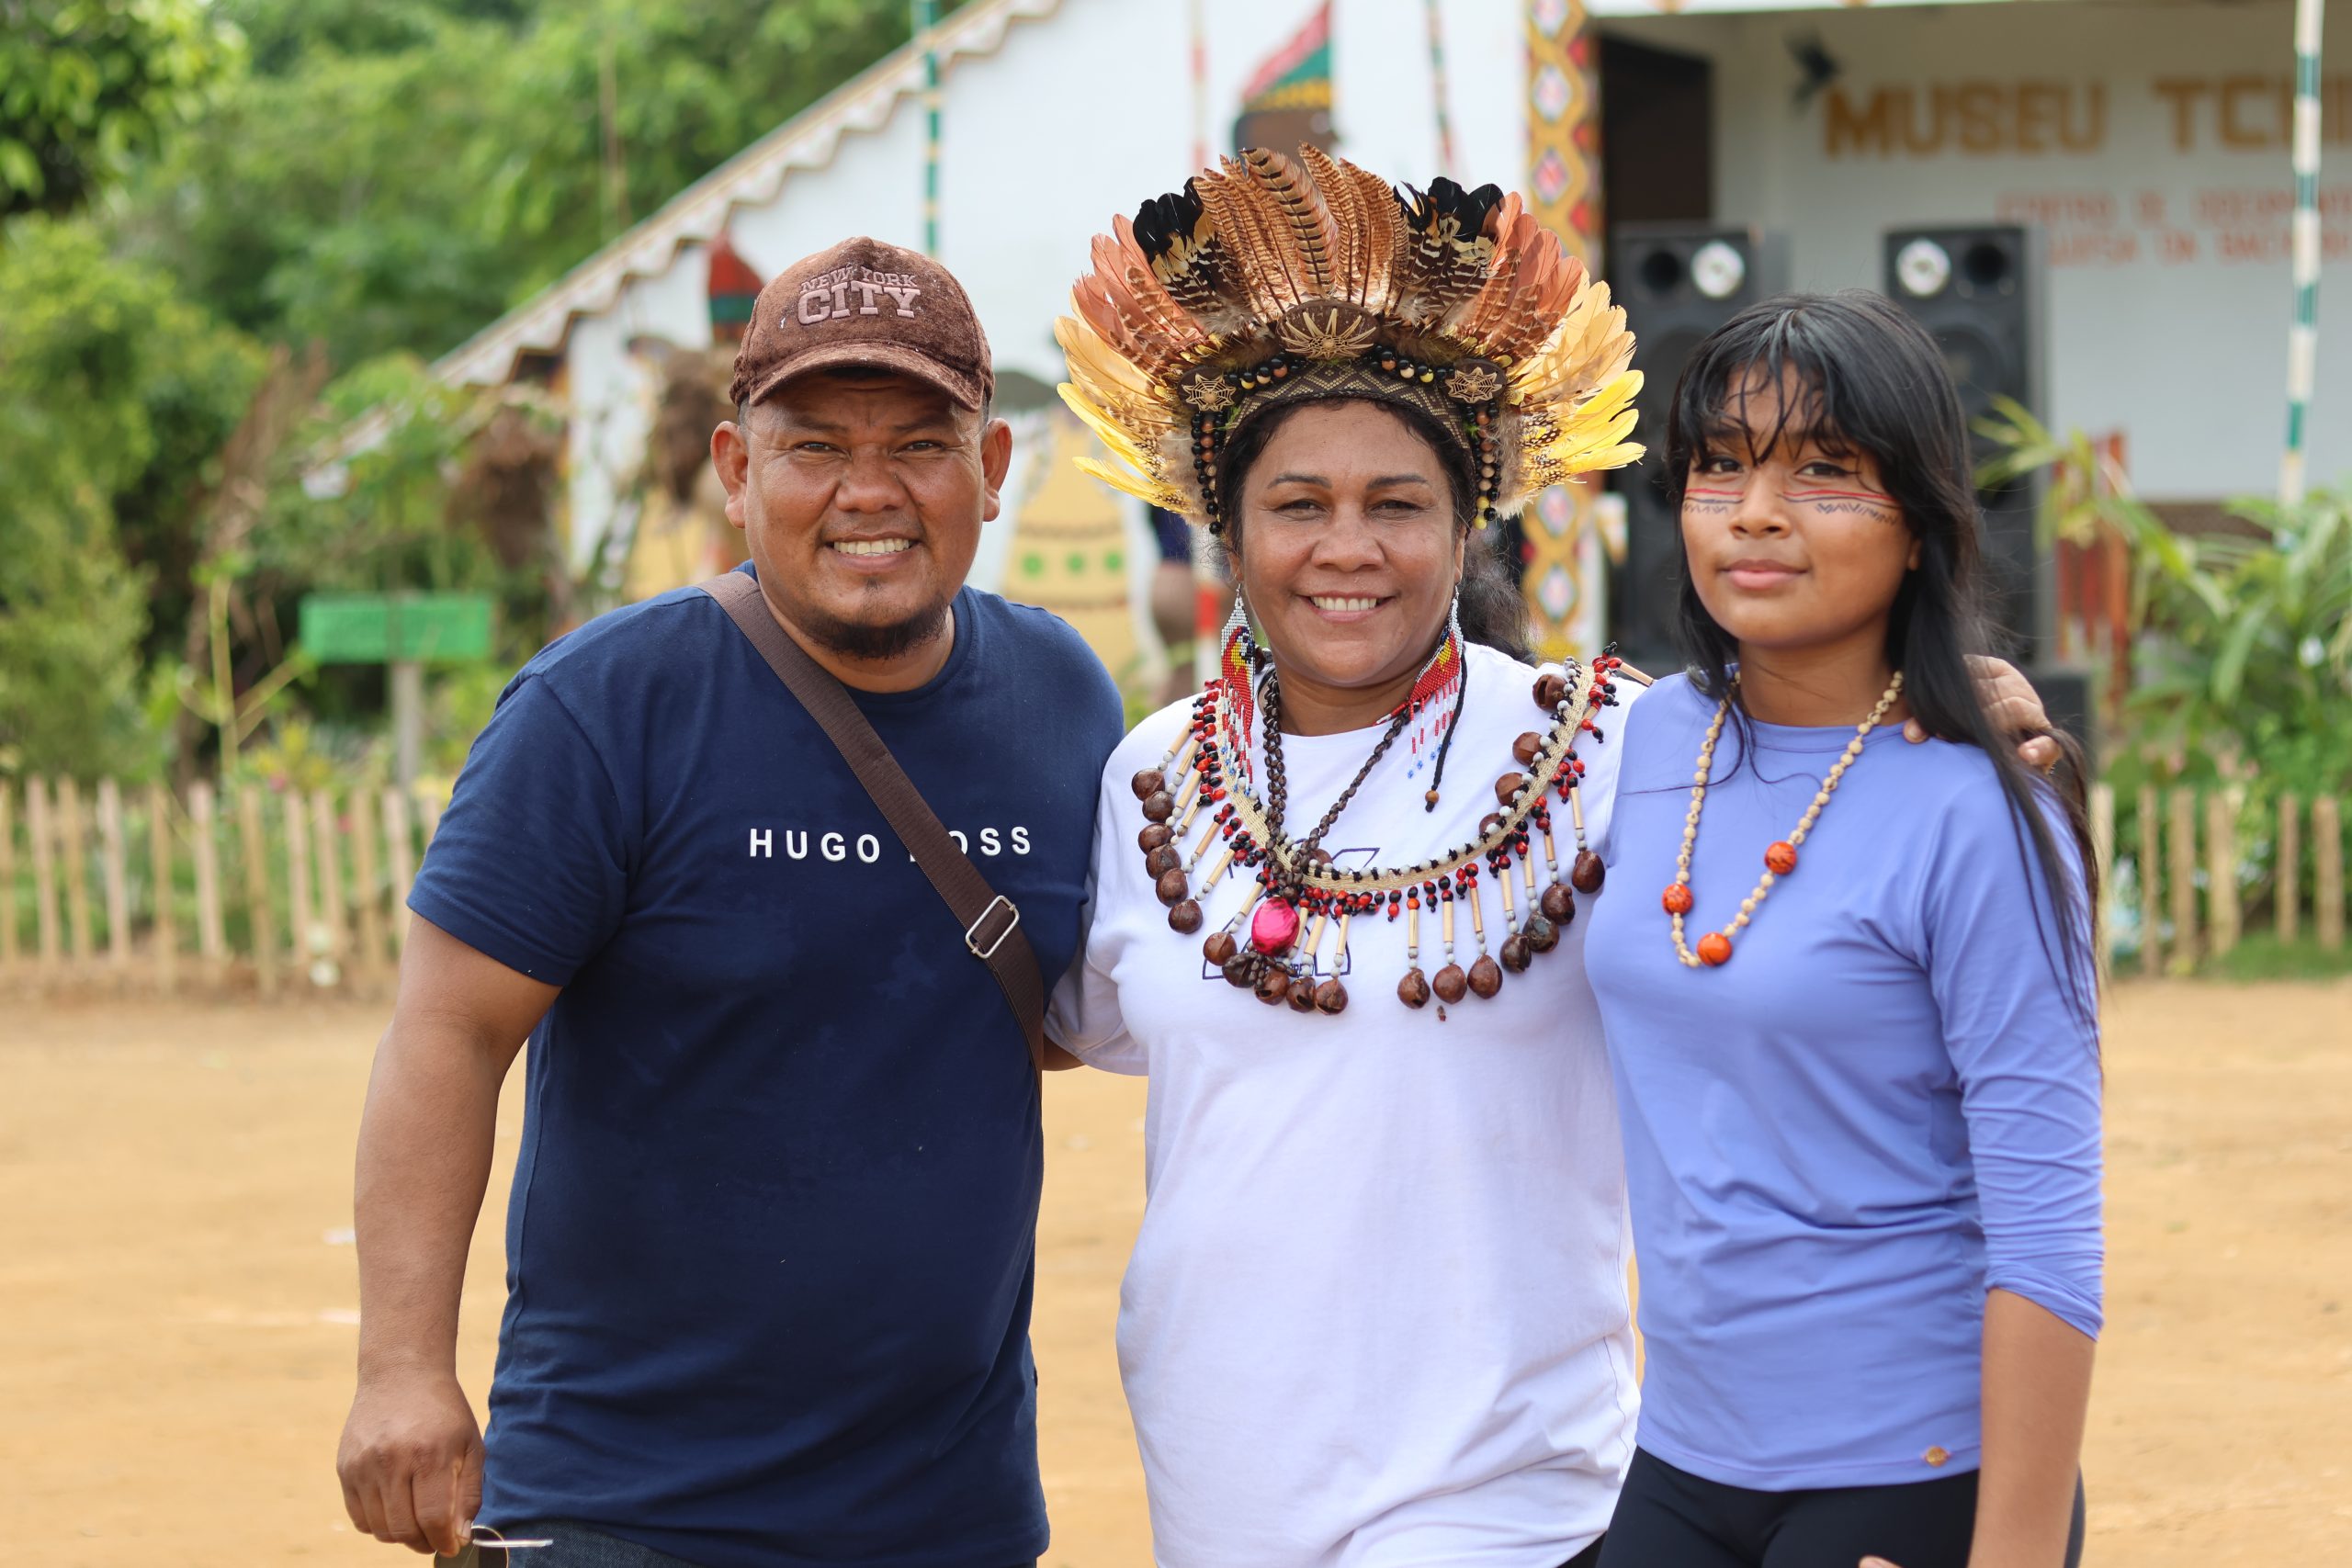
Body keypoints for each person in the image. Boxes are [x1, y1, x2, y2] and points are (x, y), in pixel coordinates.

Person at [1044, 152, 2059, 1567]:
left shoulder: (1613, 751)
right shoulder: (1150, 777)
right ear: (1228, 528)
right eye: (1297, 506)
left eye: (1397, 503)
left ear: (1468, 525)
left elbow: (1836, 747)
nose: (1349, 550)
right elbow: (1075, 1024)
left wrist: (1971, 698)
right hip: (1219, 1492)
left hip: (1519, 1506)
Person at [334, 236, 1124, 1568]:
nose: (867, 492)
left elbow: (1050, 1008)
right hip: (628, 1508)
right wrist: (402, 1370)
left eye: (919, 445)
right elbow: (447, 1033)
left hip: (951, 1515)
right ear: (736, 469)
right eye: (814, 446)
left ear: (991, 473)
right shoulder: (605, 711)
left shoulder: (1063, 701)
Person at [1583, 291, 2102, 1568]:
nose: (1758, 511)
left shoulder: (1978, 808)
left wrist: (2014, 1557)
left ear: (1922, 525)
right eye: (1721, 466)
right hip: (1682, 1453)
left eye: (1827, 471)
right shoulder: (1645, 737)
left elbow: (2048, 1230)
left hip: (1911, 1476)